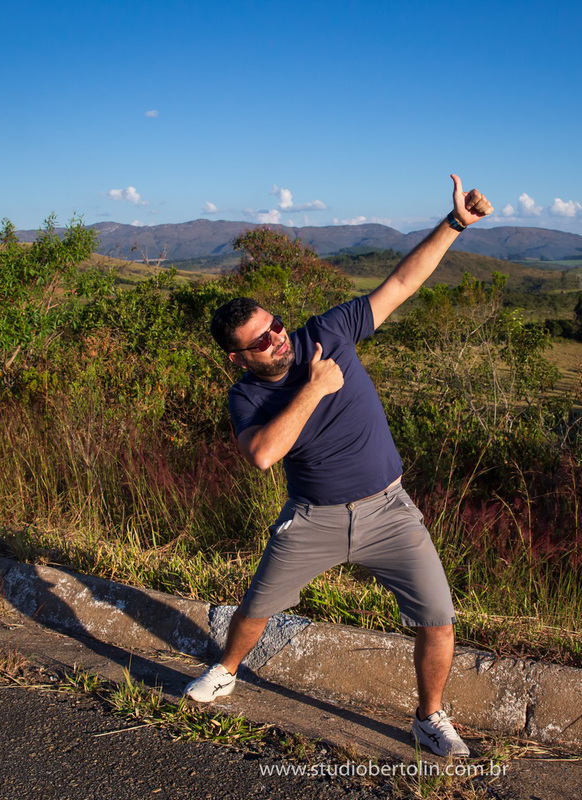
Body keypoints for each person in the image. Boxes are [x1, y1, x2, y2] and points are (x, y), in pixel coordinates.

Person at [186, 174, 493, 757]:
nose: (278, 340)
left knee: (437, 619)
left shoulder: (329, 331)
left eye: (276, 326)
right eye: (261, 342)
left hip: (389, 510)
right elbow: (263, 455)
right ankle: (226, 671)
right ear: (238, 357)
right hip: (313, 518)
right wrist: (316, 387)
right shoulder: (247, 397)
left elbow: (401, 283)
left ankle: (428, 717)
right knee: (256, 608)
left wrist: (455, 224)